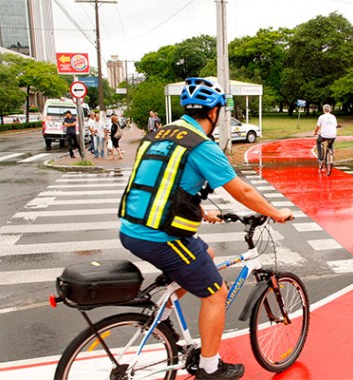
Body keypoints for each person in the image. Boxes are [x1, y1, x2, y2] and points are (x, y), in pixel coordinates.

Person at [118, 77, 293, 380]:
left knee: (206, 253)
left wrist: (201, 211)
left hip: (132, 228)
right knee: (215, 292)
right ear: (213, 113)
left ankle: (166, 308)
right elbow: (243, 192)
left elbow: (164, 183)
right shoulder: (200, 145)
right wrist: (276, 213)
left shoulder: (158, 134)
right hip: (159, 237)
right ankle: (210, 367)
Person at [313, 104, 338, 170]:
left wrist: (315, 132)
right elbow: (335, 126)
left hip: (324, 135)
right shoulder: (333, 117)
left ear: (323, 110)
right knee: (331, 144)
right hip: (333, 135)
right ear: (330, 110)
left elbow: (317, 127)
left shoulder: (321, 117)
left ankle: (320, 158)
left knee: (318, 141)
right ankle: (331, 157)